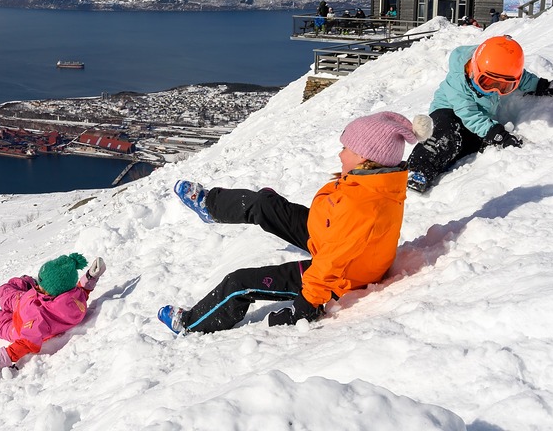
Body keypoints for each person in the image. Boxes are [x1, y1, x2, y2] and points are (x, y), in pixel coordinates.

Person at [159, 111, 433, 335]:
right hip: (328, 234)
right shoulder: (373, 182)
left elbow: (332, 263)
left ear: (364, 156)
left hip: (343, 277)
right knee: (265, 205)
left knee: (239, 282)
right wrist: (277, 210)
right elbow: (339, 228)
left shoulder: (363, 206)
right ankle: (210, 206)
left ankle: (191, 323)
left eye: (345, 148)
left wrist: (307, 303)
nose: (340, 154)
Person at [406, 35, 553, 193]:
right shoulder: (459, 81)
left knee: (471, 143)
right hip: (449, 111)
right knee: (446, 135)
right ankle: (417, 169)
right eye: (487, 82)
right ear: (474, 70)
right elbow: (469, 115)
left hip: (480, 116)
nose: (495, 89)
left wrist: (543, 86)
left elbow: (523, 79)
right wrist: (497, 134)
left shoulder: (503, 69)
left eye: (504, 87)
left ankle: (451, 155)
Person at [0, 253, 106, 375]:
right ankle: (27, 282)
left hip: (18, 327)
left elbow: (24, 345)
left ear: (53, 292)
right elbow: (82, 291)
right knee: (4, 290)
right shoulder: (72, 298)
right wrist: (91, 277)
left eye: (41, 285)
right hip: (26, 300)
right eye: (39, 283)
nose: (38, 286)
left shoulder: (39, 321)